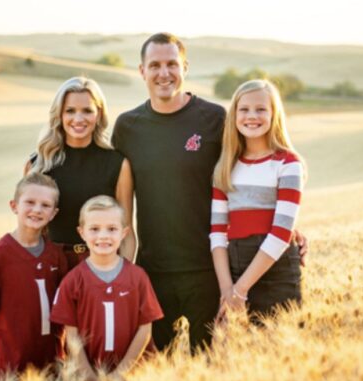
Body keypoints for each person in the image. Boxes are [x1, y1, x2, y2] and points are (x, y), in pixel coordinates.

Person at [112, 33, 308, 350]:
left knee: (209, 366)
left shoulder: (214, 119)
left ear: (185, 67)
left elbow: (253, 171)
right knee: (157, 369)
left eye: (172, 64)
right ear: (141, 71)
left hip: (211, 271)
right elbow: (119, 206)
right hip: (153, 272)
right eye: (155, 65)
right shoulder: (127, 127)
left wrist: (287, 226)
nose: (164, 73)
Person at [210, 79, 304, 322]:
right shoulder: (225, 167)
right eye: (244, 109)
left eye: (261, 109)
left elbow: (281, 233)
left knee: (279, 350)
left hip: (277, 272)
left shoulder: (288, 164)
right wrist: (226, 290)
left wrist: (240, 291)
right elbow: (218, 233)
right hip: (232, 271)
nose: (252, 116)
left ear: (274, 114)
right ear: (234, 115)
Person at [25, 76, 135, 269]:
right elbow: (29, 231)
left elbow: (127, 234)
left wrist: (119, 276)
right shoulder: (37, 165)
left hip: (101, 264)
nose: (78, 119)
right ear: (59, 114)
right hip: (51, 265)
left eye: (87, 111)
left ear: (99, 114)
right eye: (70, 111)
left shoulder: (118, 165)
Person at [50, 196, 163, 381]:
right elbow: (71, 335)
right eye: (94, 229)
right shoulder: (72, 281)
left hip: (134, 378)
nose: (103, 236)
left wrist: (121, 374)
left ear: (124, 232)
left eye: (112, 229)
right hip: (86, 379)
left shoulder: (138, 277)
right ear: (82, 233)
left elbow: (145, 330)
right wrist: (90, 377)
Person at [0, 173, 68, 380]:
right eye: (30, 202)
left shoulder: (56, 255)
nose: (37, 210)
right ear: (14, 206)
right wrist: (0, 346)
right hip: (11, 366)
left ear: (54, 213)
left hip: (52, 362)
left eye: (45, 205)